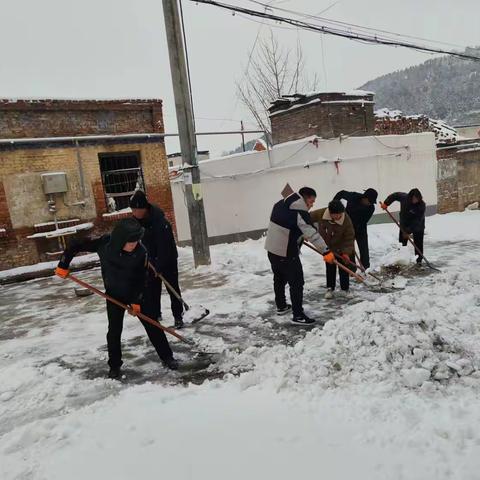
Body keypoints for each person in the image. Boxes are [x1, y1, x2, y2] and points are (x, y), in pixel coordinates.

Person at [54, 218, 178, 379]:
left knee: (153, 324)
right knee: (114, 331)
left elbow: (142, 279)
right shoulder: (104, 244)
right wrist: (64, 263)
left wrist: (136, 301)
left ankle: (167, 357)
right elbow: (76, 244)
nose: (134, 244)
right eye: (131, 241)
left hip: (136, 292)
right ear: (120, 239)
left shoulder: (141, 252)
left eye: (136, 240)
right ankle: (114, 366)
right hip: (113, 294)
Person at [265, 186, 334, 324]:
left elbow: (287, 223)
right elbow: (313, 234)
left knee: (279, 278)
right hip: (286, 253)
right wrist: (326, 251)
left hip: (272, 249)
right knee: (297, 282)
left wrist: (299, 234)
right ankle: (298, 315)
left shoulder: (281, 203)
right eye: (312, 201)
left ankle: (281, 306)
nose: (312, 204)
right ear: (305, 198)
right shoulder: (299, 212)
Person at [129, 190, 184, 329]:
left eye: (136, 210)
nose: (134, 213)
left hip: (168, 259)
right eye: (132, 210)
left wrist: (159, 265)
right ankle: (155, 314)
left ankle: (178, 316)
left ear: (144, 208)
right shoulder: (137, 222)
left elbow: (164, 247)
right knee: (152, 290)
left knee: (173, 288)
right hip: (151, 260)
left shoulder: (160, 222)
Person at [310, 200, 355, 299]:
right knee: (330, 267)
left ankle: (345, 289)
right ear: (330, 213)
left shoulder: (346, 220)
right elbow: (306, 218)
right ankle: (330, 288)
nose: (338, 217)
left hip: (341, 246)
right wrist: (307, 232)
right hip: (327, 247)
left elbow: (349, 238)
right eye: (336, 215)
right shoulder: (321, 214)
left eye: (340, 214)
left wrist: (346, 253)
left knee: (343, 267)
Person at [333, 188, 378, 269]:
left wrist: (354, 230)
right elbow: (341, 193)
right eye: (370, 201)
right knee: (349, 249)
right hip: (347, 228)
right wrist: (335, 206)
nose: (370, 203)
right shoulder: (353, 196)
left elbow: (363, 221)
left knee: (364, 249)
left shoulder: (371, 208)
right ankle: (352, 268)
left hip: (360, 229)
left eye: (372, 202)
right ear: (365, 197)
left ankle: (365, 268)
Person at [380, 188, 426, 264]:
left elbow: (417, 221)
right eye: (414, 198)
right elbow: (394, 196)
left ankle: (419, 261)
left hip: (418, 226)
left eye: (417, 199)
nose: (415, 201)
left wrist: (408, 232)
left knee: (418, 245)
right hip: (404, 224)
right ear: (410, 197)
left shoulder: (421, 205)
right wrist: (386, 203)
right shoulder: (404, 197)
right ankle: (401, 260)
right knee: (401, 244)